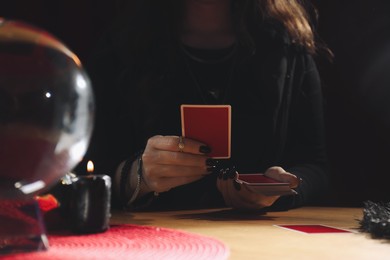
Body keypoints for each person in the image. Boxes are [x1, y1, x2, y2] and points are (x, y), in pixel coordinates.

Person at [83, 0, 329, 211]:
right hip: (152, 239)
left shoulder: (287, 48)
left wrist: (282, 188)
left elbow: (315, 167)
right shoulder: (121, 48)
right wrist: (138, 176)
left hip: (260, 239)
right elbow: (85, 172)